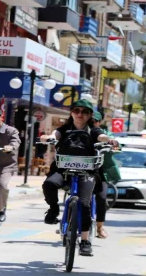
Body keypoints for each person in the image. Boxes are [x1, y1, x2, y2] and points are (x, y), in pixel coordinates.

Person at [40, 99, 118, 256]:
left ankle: (84, 240)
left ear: (90, 115)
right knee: (49, 184)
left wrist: (109, 140)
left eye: (85, 112)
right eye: (76, 111)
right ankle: (53, 209)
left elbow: (102, 136)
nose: (80, 114)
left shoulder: (93, 131)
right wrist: (47, 137)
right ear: (71, 113)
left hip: (87, 172)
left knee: (84, 203)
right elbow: (53, 135)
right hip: (64, 169)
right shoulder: (64, 129)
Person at [91, 111, 120, 239]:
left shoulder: (106, 135)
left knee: (101, 198)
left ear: (99, 122)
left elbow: (116, 146)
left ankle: (99, 227)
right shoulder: (81, 131)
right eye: (89, 120)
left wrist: (113, 144)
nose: (92, 123)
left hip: (100, 171)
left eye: (95, 121)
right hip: (80, 169)